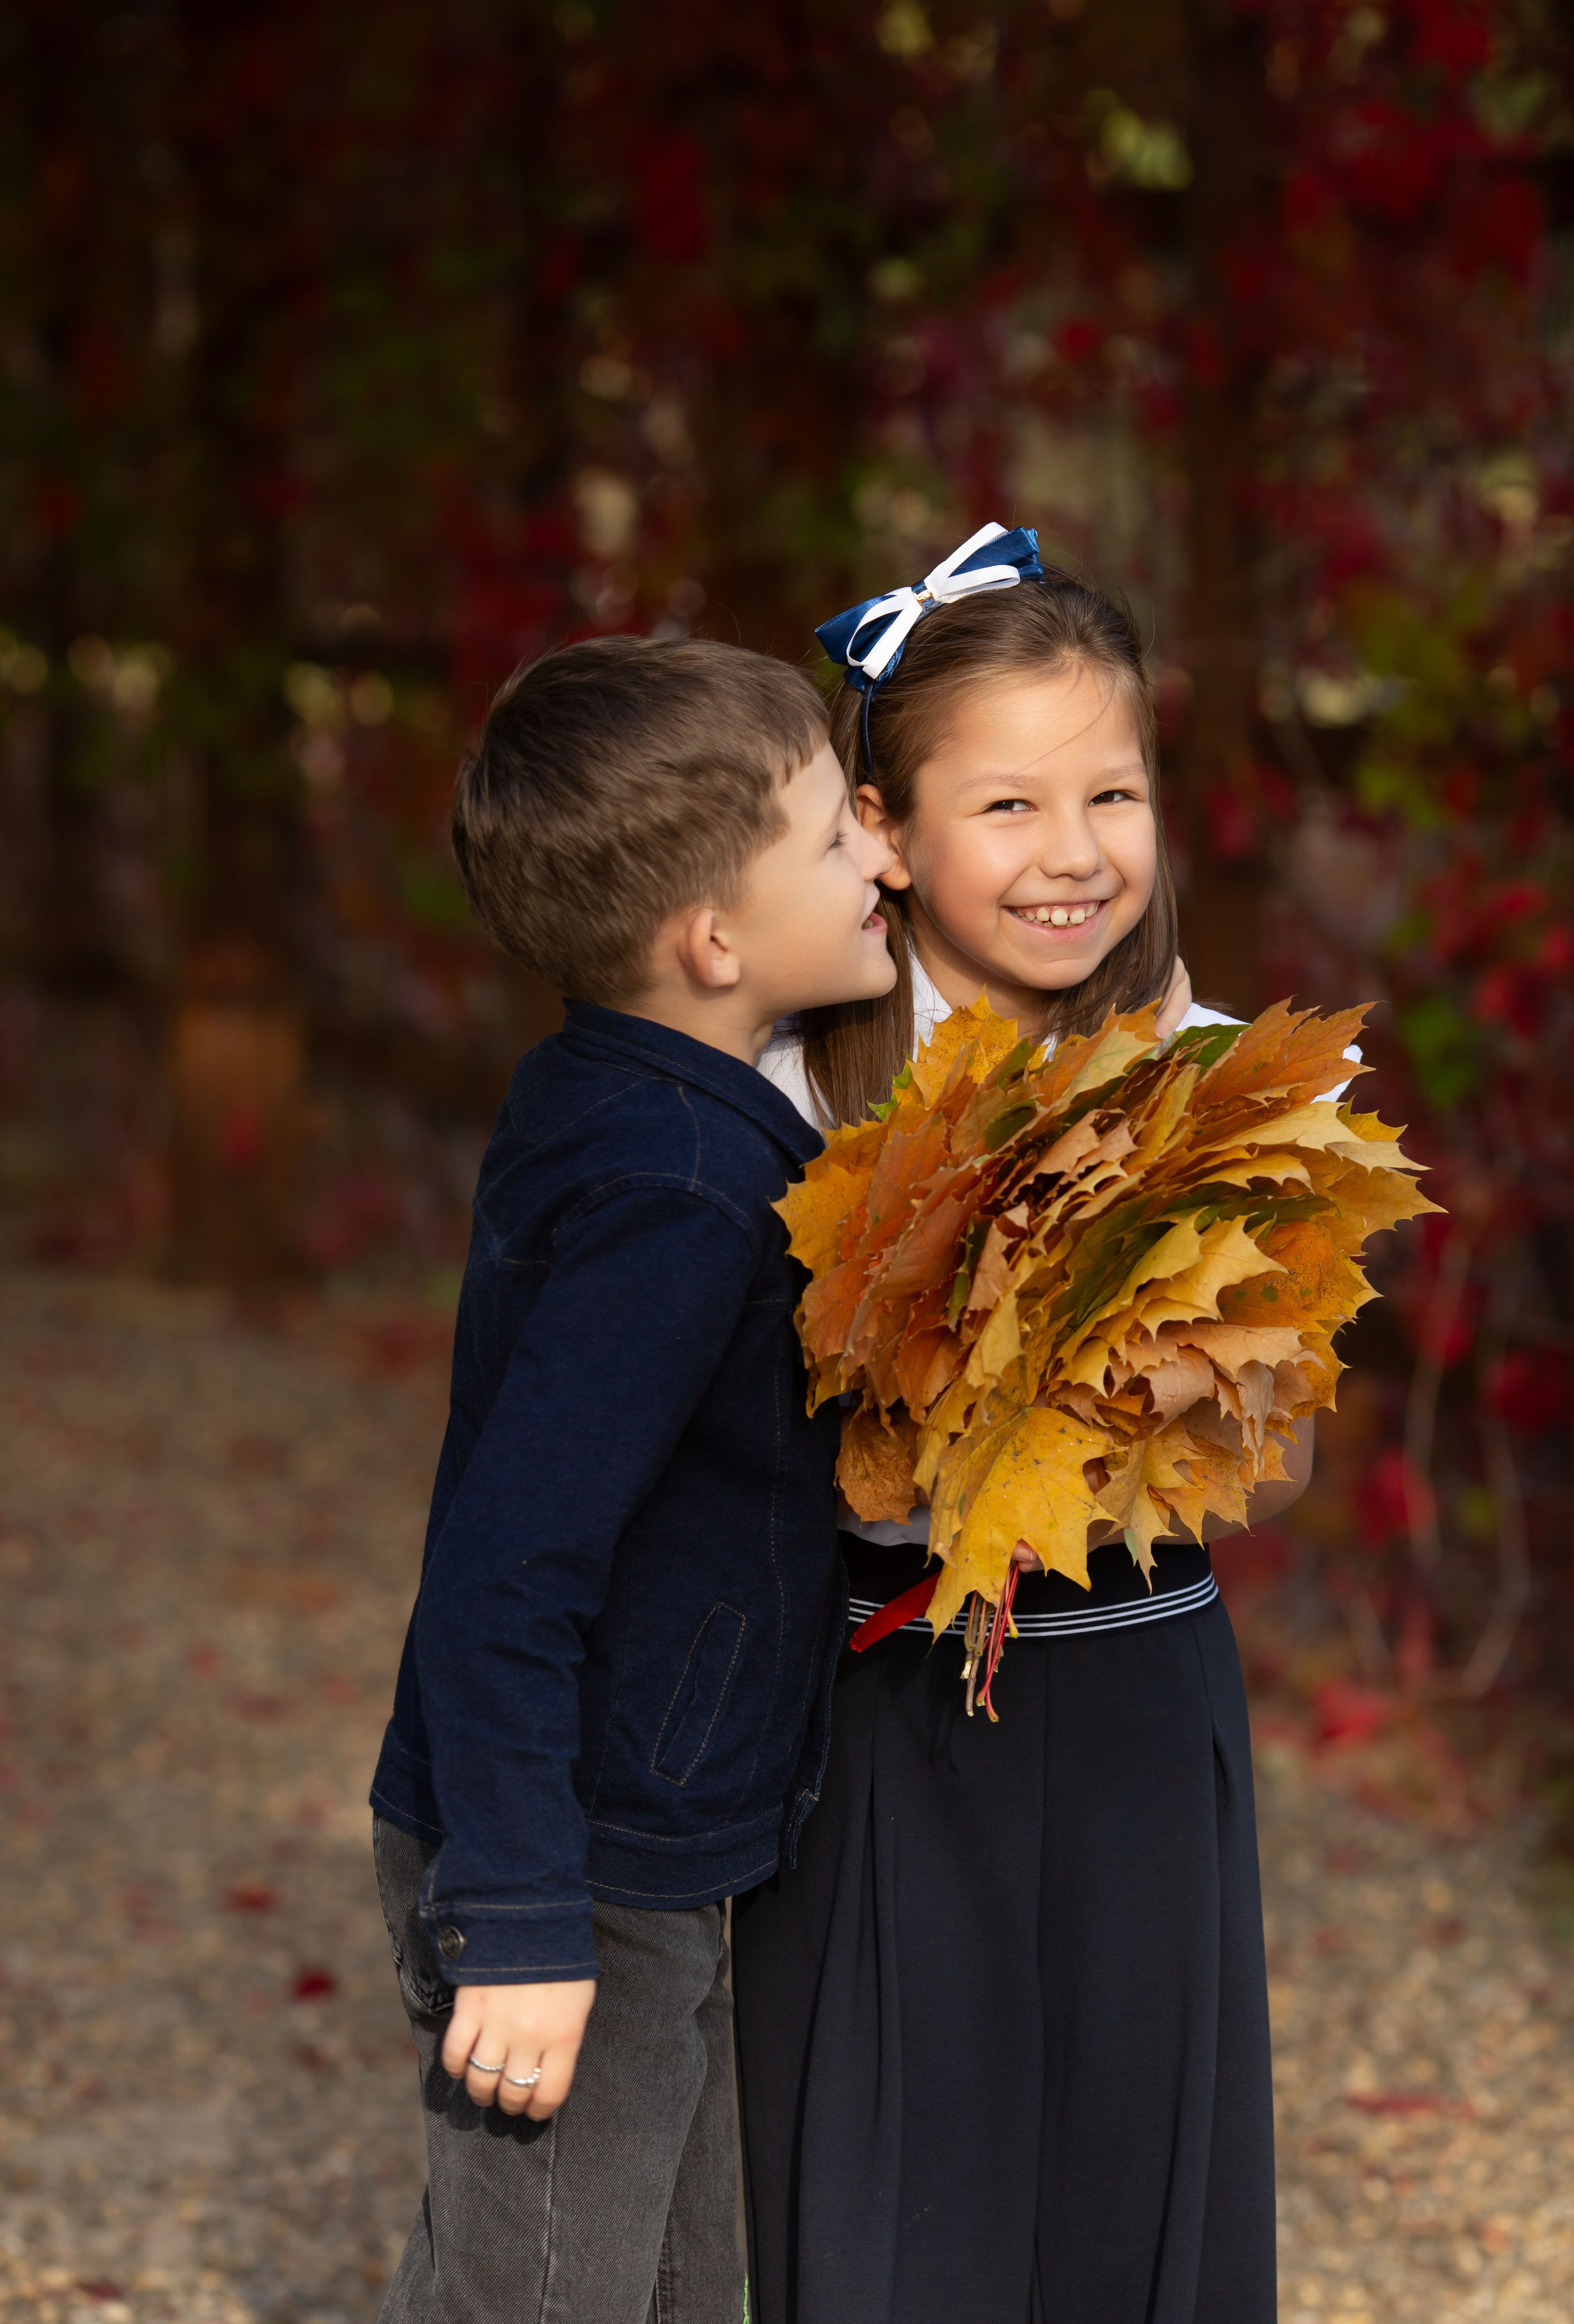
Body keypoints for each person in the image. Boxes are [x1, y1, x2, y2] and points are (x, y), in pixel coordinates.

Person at [734, 526, 1312, 2324]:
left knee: (1131, 2180)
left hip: (1138, 1689)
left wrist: (1143, 1387)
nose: (1075, 856)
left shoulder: (1223, 1082)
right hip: (884, 1709)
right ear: (885, 833)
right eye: (1008, 808)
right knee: (893, 2181)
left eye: (1113, 795)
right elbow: (778, 1448)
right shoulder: (800, 1086)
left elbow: (1270, 1452)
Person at [368, 635, 897, 2324]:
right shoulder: (675, 1196)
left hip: (644, 1840)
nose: (885, 853)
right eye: (836, 835)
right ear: (714, 938)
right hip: (569, 1852)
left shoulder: (632, 1098)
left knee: (670, 2280)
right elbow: (504, 1571)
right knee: (531, 2300)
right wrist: (521, 1917)